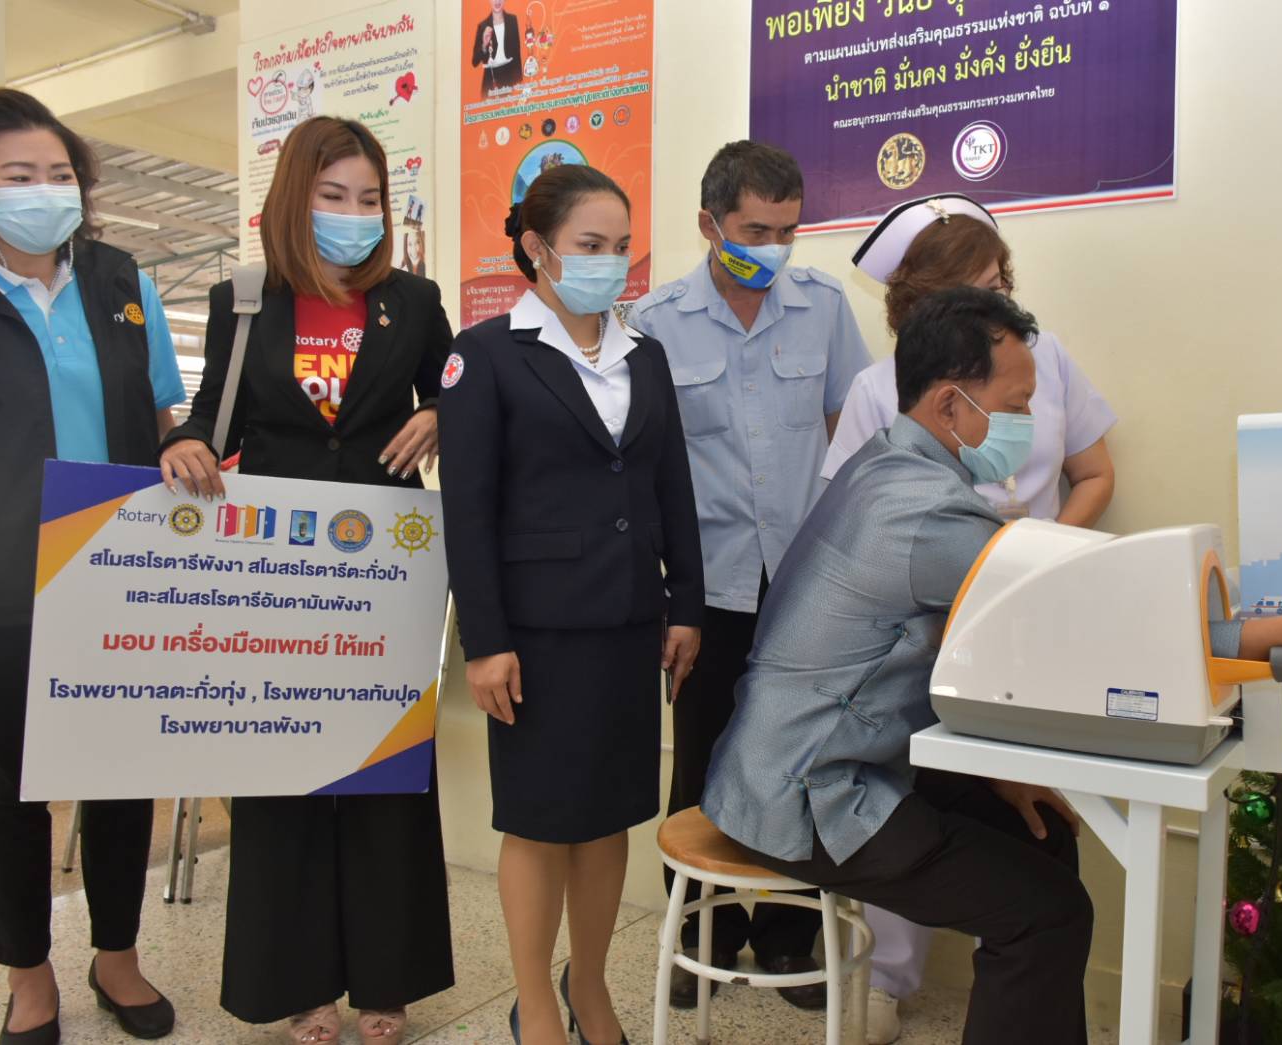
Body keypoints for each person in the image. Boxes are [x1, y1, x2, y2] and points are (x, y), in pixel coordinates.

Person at [701, 287, 1282, 1045]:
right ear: (949, 405)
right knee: (1045, 913)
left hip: (826, 751)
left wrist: (1000, 770)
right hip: (805, 791)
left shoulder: (890, 464)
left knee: (1044, 833)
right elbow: (1110, 621)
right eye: (1016, 405)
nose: (1029, 422)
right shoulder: (924, 512)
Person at [159, 116, 454, 1045]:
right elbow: (208, 413)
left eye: (369, 198)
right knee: (281, 775)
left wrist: (441, 413)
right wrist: (182, 444)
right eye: (333, 196)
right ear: (295, 199)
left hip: (383, 569)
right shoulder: (245, 299)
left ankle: (386, 981)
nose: (353, 213)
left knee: (382, 773)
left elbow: (459, 389)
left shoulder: (413, 300)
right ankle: (300, 986)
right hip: (275, 574)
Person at [825, 194, 1117, 1043]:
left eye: (1001, 283)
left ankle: (1029, 989)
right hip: (928, 631)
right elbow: (850, 515)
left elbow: (1095, 471)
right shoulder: (877, 389)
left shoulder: (1042, 356)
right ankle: (887, 976)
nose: (999, 302)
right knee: (919, 793)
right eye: (977, 288)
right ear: (923, 298)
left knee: (1034, 812)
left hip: (1033, 613)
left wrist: (1033, 554)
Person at [0, 88, 185, 1044]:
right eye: (19, 175)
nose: (47, 190)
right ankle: (27, 975)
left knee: (121, 770)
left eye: (60, 173)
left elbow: (163, 413)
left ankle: (116, 954)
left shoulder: (119, 278)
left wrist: (185, 452)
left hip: (118, 567)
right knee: (11, 785)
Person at [440, 163, 703, 1045]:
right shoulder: (484, 355)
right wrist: (485, 640)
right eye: (590, 244)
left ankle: (587, 984)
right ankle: (536, 1001)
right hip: (536, 634)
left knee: (606, 818)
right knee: (539, 821)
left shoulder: (644, 355)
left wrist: (685, 604)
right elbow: (467, 510)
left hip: (629, 622)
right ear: (536, 247)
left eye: (621, 246)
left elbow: (671, 488)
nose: (610, 263)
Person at [631, 139, 872, 1010]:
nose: (772, 248)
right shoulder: (656, 320)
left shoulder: (822, 306)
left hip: (807, 576)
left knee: (803, 757)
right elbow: (641, 466)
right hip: (706, 582)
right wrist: (665, 593)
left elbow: (853, 431)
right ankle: (699, 935)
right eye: (755, 231)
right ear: (710, 223)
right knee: (700, 757)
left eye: (787, 231)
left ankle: (784, 936)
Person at [473, 0, 524, 97]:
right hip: (490, 79)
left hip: (509, 77)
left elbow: (517, 53)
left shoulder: (512, 20)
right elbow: (474, 62)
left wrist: (519, 80)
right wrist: (484, 44)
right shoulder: (483, 26)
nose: (497, 1)